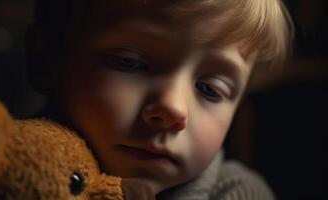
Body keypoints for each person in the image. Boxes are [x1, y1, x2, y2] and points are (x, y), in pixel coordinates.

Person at [26, 0, 292, 199]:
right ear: (47, 59)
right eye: (130, 63)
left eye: (210, 89)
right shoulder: (7, 163)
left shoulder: (239, 193)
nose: (173, 108)